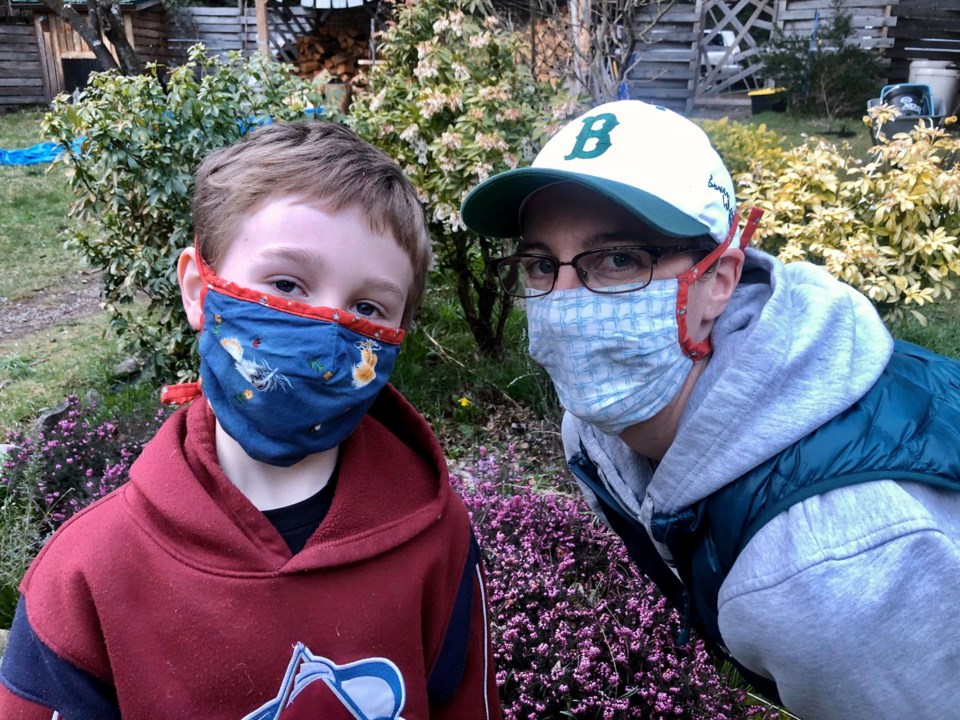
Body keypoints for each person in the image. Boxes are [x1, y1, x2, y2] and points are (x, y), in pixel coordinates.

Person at [460, 99, 960, 718]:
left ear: (719, 280)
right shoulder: (593, 434)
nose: (562, 304)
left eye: (619, 259)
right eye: (540, 265)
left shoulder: (824, 577)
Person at [0, 121, 502, 720]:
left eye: (367, 308)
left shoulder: (437, 534)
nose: (325, 328)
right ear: (197, 289)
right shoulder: (84, 575)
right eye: (286, 283)